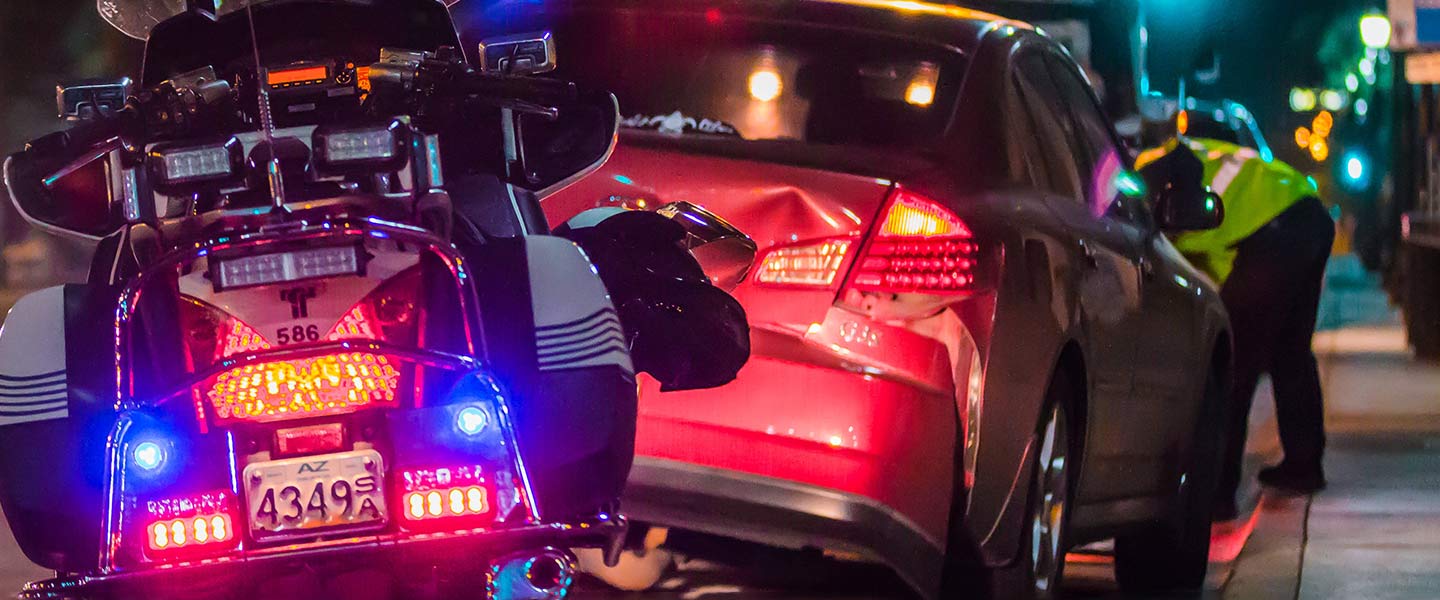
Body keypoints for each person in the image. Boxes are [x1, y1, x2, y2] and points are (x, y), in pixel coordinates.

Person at [1137, 116, 1335, 522]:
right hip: (1306, 213)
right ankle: (1303, 465)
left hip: (1269, 230)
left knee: (1235, 365)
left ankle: (1217, 493)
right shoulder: (1190, 152)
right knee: (1290, 352)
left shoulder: (1146, 173)